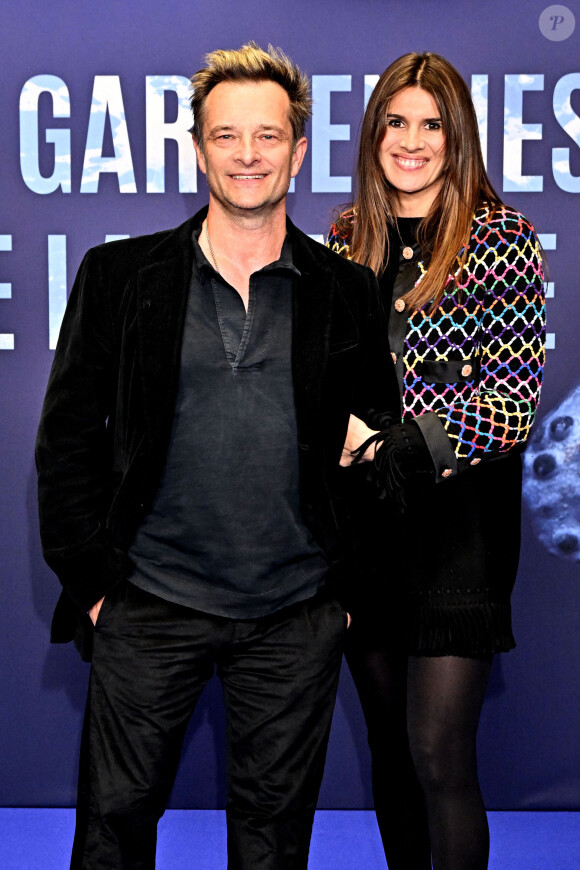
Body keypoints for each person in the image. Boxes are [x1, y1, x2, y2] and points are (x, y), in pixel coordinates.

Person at [35, 42, 397, 869]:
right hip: (148, 605)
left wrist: (341, 596)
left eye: (268, 136)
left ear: (299, 152)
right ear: (197, 149)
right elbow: (65, 442)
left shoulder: (346, 290)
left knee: (272, 848)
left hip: (295, 615)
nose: (247, 155)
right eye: (226, 136)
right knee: (110, 836)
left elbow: (380, 450)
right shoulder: (121, 277)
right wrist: (95, 587)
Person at [327, 52, 546, 870]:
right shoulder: (346, 240)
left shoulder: (502, 240)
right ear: (375, 131)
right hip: (367, 540)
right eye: (396, 122)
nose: (411, 142)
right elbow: (323, 380)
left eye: (432, 126)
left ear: (458, 141)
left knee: (438, 755)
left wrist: (386, 444)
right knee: (388, 752)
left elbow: (510, 402)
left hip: (459, 535)